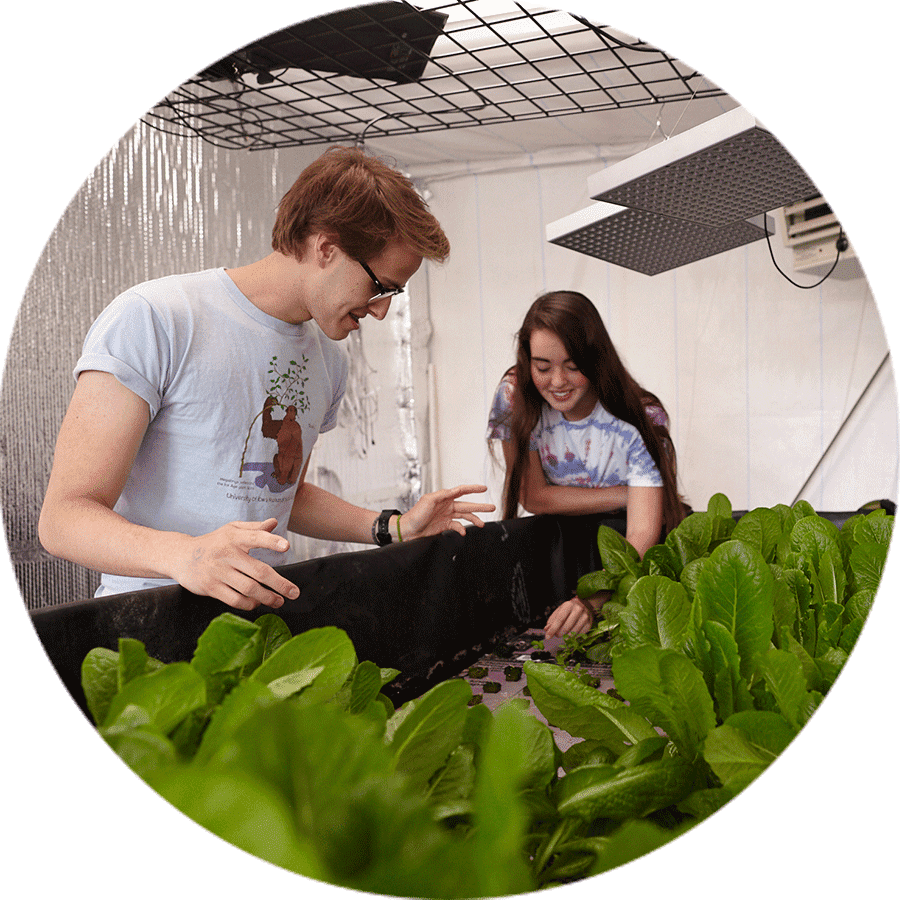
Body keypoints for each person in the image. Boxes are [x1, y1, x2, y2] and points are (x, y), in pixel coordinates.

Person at [39, 145, 493, 611]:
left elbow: (277, 492)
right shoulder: (156, 318)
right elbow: (64, 517)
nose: (382, 310)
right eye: (382, 287)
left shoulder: (328, 363)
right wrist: (183, 554)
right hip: (147, 628)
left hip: (259, 628)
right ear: (326, 247)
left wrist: (392, 527)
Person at [487, 290, 687, 637]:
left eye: (573, 366)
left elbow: (641, 532)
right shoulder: (514, 395)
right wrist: (627, 494)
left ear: (595, 359)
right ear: (527, 360)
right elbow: (533, 496)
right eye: (543, 367)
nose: (558, 382)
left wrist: (592, 602)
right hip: (560, 553)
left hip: (630, 557)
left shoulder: (643, 418)